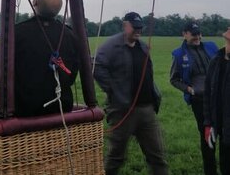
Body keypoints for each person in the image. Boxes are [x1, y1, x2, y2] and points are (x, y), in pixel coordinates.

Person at [94, 11, 168, 175]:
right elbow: (97, 67)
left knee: (158, 156)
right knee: (115, 158)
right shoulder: (111, 46)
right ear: (125, 25)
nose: (138, 31)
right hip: (123, 112)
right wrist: (113, 90)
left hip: (147, 110)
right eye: (134, 27)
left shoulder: (142, 46)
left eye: (140, 28)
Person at [0, 0, 79, 117]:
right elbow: (70, 78)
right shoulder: (70, 35)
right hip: (61, 109)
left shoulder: (16, 33)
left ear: (34, 3)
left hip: (25, 112)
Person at [170, 20, 219, 175]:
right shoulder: (179, 55)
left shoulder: (212, 47)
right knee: (207, 135)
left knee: (225, 132)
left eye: (199, 34)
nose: (197, 37)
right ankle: (210, 171)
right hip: (200, 101)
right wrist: (188, 89)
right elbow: (174, 79)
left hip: (219, 98)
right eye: (193, 34)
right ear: (184, 34)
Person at [203, 26, 230, 175]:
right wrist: (208, 123)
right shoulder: (216, 62)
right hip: (221, 127)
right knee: (225, 165)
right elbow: (208, 94)